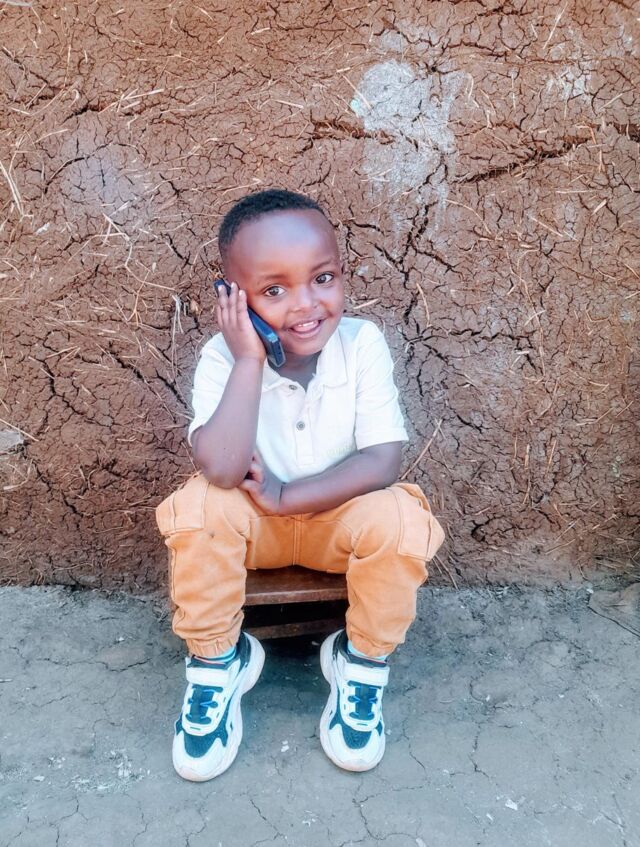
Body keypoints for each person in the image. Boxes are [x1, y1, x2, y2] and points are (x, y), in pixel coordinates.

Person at [155, 188, 445, 781]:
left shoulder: (361, 344)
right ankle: (219, 665)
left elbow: (383, 460)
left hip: (338, 525)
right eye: (274, 290)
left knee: (401, 518)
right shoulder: (222, 359)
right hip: (253, 529)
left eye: (323, 278)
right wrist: (248, 360)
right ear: (234, 299)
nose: (307, 304)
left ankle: (359, 663)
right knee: (200, 507)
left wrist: (287, 497)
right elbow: (222, 470)